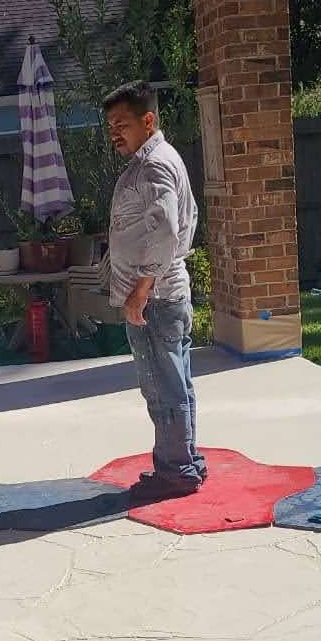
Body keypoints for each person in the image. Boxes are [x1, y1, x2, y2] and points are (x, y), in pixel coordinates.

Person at [104, 81, 206, 497]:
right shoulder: (158, 160)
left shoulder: (154, 166)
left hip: (157, 298)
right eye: (110, 126)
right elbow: (186, 217)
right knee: (176, 382)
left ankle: (176, 471)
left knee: (163, 387)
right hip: (165, 293)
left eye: (122, 124)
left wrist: (141, 289)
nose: (114, 133)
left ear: (148, 120)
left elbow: (166, 231)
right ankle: (185, 460)